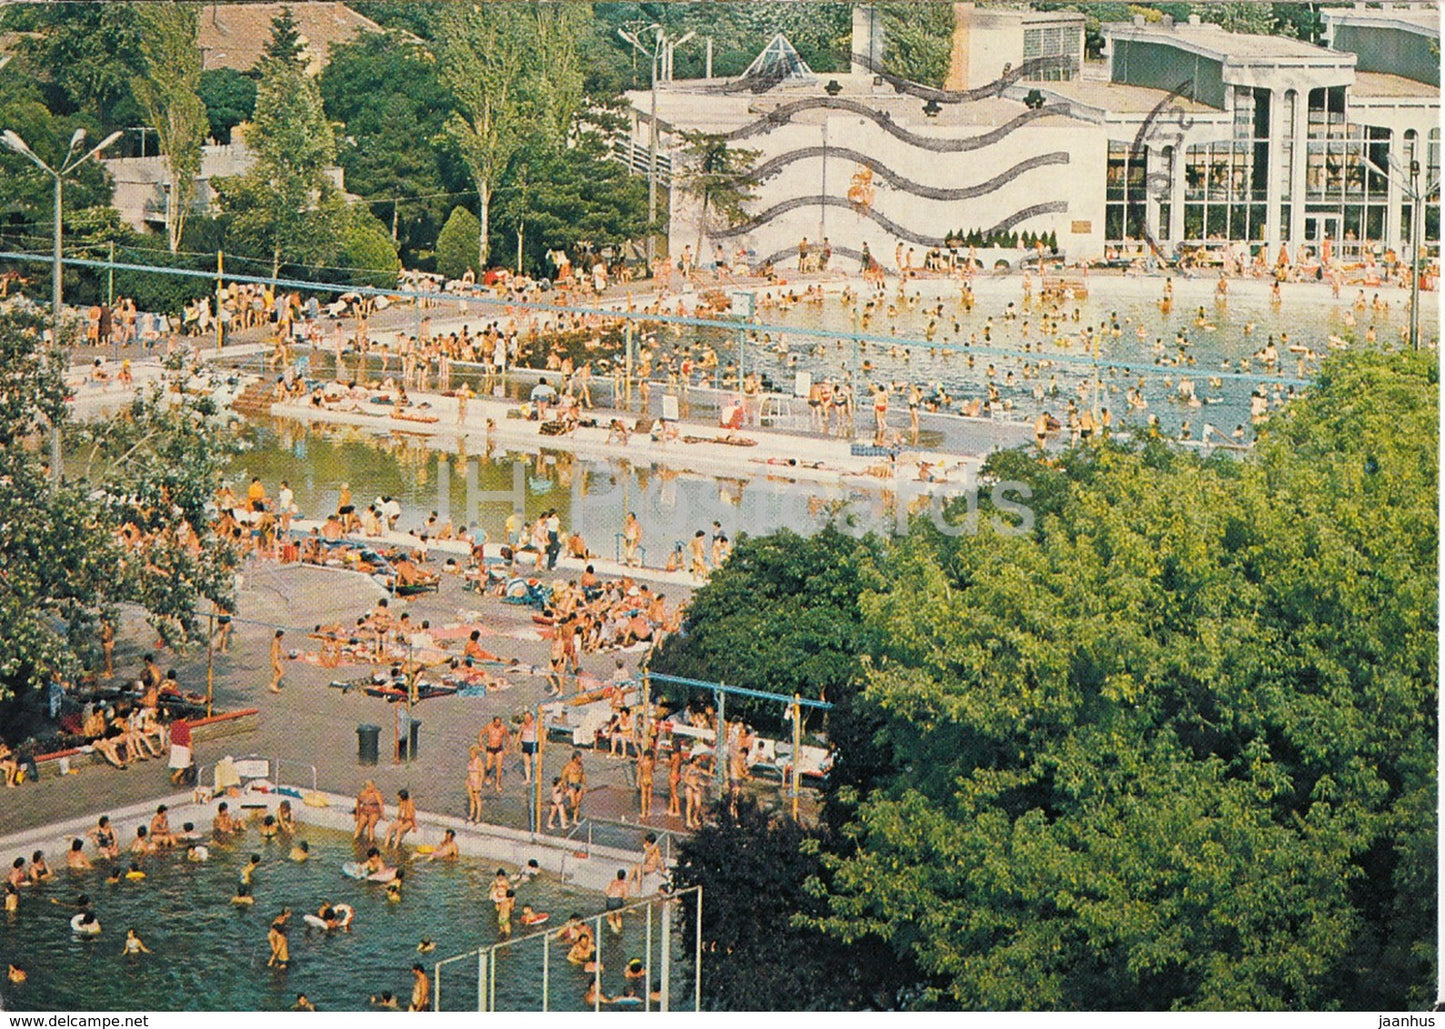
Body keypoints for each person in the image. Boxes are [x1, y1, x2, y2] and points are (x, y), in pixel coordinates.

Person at [479, 717, 510, 793]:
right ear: (493, 722)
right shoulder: (489, 726)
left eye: (499, 723)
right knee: (489, 765)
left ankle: (497, 783)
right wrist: (481, 745)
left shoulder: (503, 728)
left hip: (499, 748)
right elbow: (481, 735)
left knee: (499, 767)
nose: (498, 724)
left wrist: (507, 748)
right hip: (490, 748)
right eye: (496, 723)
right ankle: (487, 777)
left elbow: (508, 738)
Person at [561, 751, 587, 824]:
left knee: (578, 803)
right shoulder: (568, 766)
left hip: (578, 784)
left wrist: (585, 785)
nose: (581, 759)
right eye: (579, 757)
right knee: (573, 804)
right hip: (571, 785)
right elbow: (563, 777)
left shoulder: (580, 766)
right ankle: (564, 811)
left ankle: (575, 820)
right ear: (575, 758)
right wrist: (564, 787)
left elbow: (582, 775)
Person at [167, 717, 193, 785]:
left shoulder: (174, 724)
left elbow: (171, 736)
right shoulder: (185, 726)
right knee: (184, 766)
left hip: (175, 747)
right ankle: (175, 777)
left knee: (178, 764)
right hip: (183, 748)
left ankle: (182, 780)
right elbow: (188, 739)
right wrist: (191, 750)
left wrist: (169, 746)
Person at [604, 869, 629, 934]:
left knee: (610, 918)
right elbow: (627, 896)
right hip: (618, 900)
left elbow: (606, 891)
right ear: (624, 877)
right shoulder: (624, 884)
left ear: (617, 875)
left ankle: (614, 928)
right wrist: (622, 898)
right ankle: (619, 930)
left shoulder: (612, 882)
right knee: (618, 917)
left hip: (610, 900)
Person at [466, 745, 486, 824]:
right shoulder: (471, 761)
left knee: (477, 798)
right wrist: (467, 780)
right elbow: (469, 772)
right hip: (471, 780)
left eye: (472, 753)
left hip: (476, 780)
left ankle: (478, 816)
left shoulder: (478, 761)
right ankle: (471, 814)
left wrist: (480, 784)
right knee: (471, 798)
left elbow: (482, 773)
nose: (471, 755)